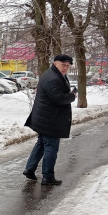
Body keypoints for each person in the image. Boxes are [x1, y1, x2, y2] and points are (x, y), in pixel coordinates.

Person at [22, 54, 77, 185]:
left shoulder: (51, 74)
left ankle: (29, 169)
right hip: (51, 119)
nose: (65, 68)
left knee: (41, 143)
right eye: (63, 65)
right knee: (51, 147)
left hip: (45, 117)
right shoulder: (53, 78)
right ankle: (48, 176)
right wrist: (72, 96)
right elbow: (59, 99)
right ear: (55, 63)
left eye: (68, 66)